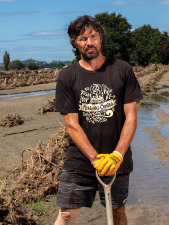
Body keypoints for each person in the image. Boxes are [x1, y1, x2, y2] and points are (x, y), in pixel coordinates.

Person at [54, 15, 143, 225]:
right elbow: (71, 124)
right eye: (82, 38)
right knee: (66, 215)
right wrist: (95, 159)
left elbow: (131, 118)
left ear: (101, 38)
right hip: (80, 160)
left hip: (116, 162)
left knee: (118, 213)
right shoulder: (67, 76)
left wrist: (116, 156)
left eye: (93, 36)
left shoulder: (122, 70)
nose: (89, 42)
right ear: (75, 44)